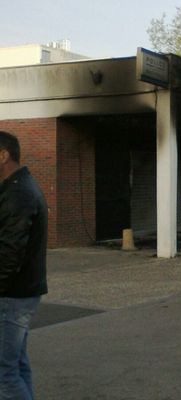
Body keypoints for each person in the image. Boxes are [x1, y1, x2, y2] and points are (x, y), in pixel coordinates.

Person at [0, 131, 48, 399]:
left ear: (3, 155)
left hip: (12, 296)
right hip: (20, 292)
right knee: (16, 364)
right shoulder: (18, 187)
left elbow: (10, 253)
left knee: (4, 374)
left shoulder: (19, 193)